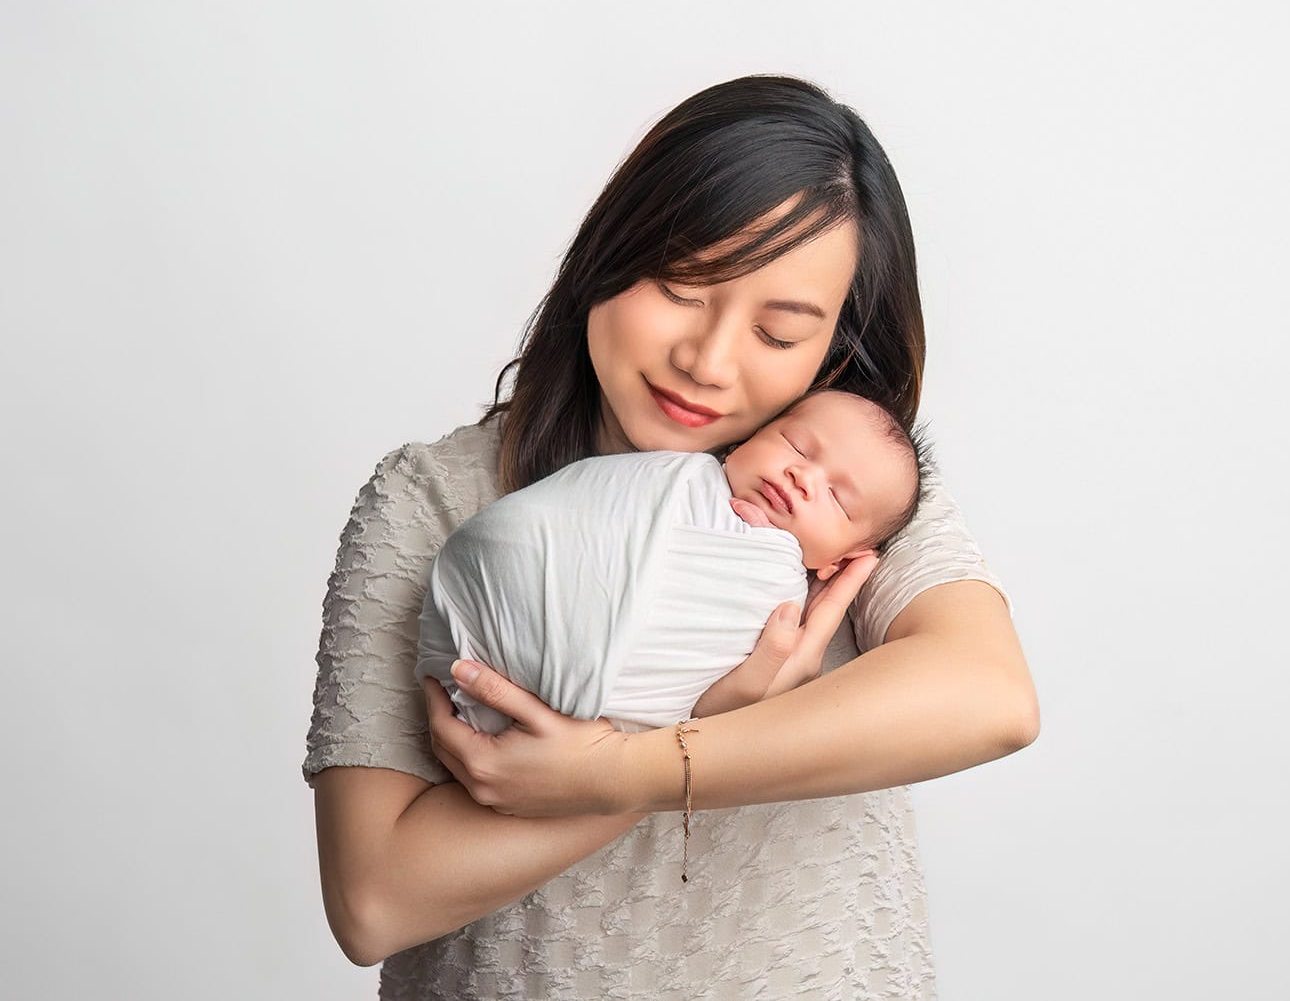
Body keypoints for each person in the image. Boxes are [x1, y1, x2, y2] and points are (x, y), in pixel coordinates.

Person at [304, 73, 1039, 998]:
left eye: (779, 333)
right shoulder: (432, 499)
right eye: (683, 285)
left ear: (832, 351)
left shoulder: (832, 491)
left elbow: (991, 696)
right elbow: (376, 900)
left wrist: (634, 767)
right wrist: (701, 728)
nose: (708, 359)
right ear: (607, 253)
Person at [415, 388, 928, 736]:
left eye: (838, 498)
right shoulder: (674, 475)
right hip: (484, 592)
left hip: (579, 717)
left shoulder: (782, 598)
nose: (803, 477)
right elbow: (579, 510)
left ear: (841, 561)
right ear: (746, 440)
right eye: (795, 445)